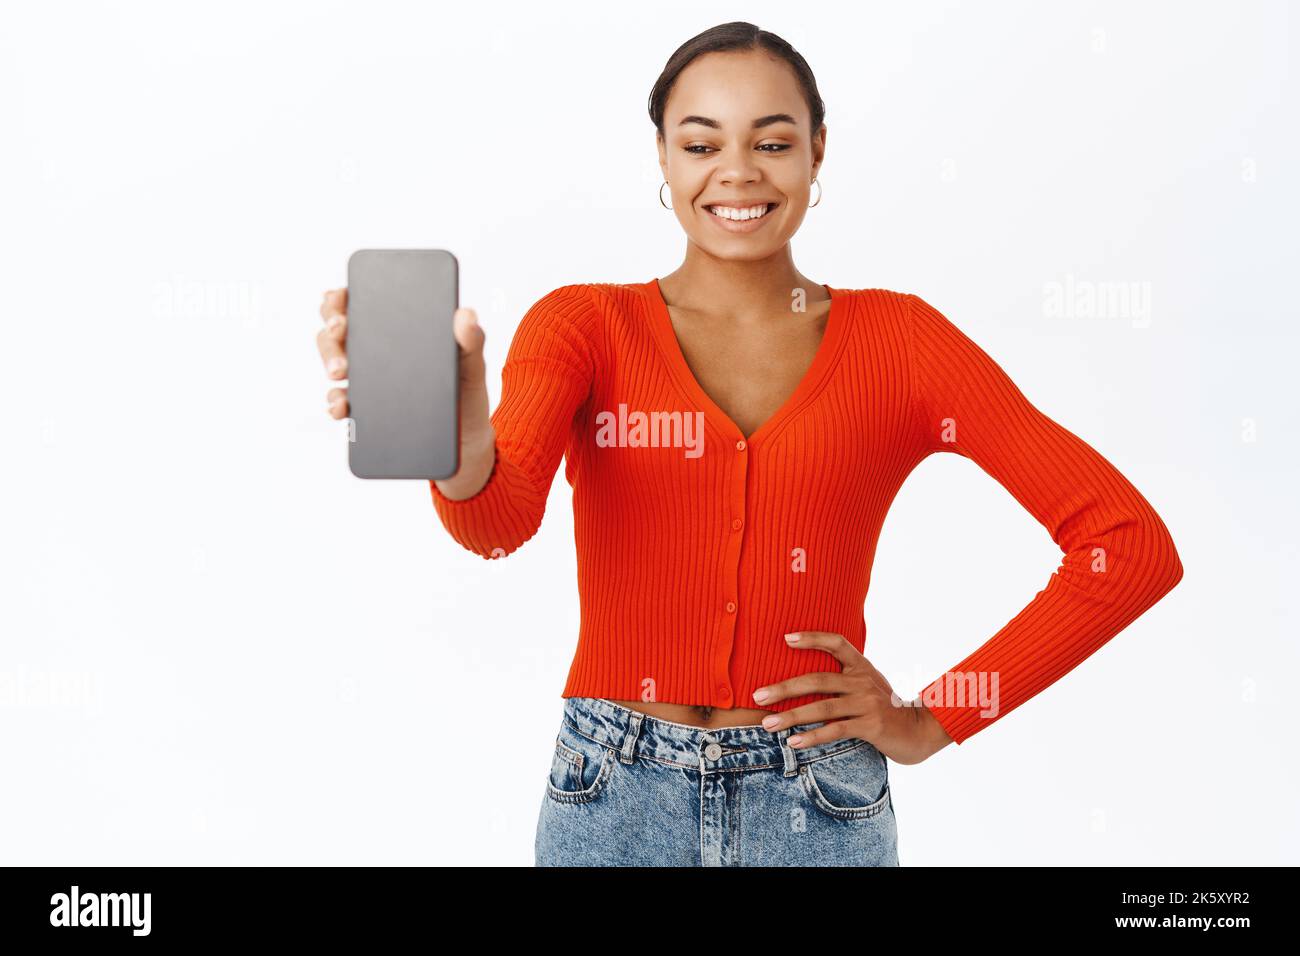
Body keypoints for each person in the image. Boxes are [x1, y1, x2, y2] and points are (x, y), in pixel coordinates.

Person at [314, 22, 1183, 866]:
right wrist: (461, 440)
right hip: (611, 799)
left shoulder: (903, 342)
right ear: (661, 155)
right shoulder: (585, 324)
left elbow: (1127, 545)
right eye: (700, 145)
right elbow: (494, 526)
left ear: (818, 152)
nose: (736, 173)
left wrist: (931, 719)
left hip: (820, 801)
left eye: (771, 143)